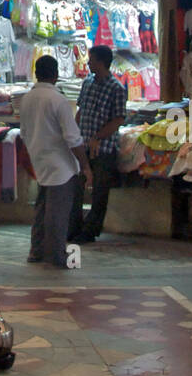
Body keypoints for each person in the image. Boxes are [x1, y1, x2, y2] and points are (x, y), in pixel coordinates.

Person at [18, 55, 93, 267]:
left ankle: (37, 250)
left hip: (40, 159)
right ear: (56, 74)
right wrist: (85, 165)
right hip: (61, 163)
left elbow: (23, 132)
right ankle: (56, 256)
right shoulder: (57, 100)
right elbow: (72, 137)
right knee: (58, 212)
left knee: (42, 208)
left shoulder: (27, 99)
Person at [69, 46, 128, 244]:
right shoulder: (87, 83)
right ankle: (73, 226)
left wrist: (98, 137)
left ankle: (91, 229)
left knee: (100, 190)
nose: (88, 63)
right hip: (82, 145)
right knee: (77, 187)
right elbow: (81, 110)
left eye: (92, 60)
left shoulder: (116, 88)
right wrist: (73, 133)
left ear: (101, 62)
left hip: (103, 148)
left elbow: (118, 119)